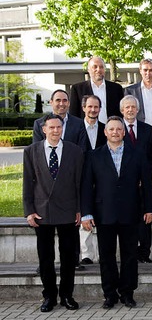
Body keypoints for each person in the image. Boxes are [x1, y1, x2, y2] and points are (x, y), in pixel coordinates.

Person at [81, 116, 152, 309]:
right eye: (111, 129)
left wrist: (149, 208)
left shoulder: (138, 154)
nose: (115, 132)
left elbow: (147, 184)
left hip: (131, 213)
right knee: (106, 256)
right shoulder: (93, 156)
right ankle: (110, 294)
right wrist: (86, 213)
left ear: (124, 132)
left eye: (118, 129)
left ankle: (128, 293)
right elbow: (87, 187)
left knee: (130, 255)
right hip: (103, 213)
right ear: (105, 132)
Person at [23, 114, 84, 312]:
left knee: (68, 258)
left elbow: (79, 183)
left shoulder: (75, 151)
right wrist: (29, 211)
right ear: (44, 129)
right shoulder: (31, 151)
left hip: (68, 211)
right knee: (45, 258)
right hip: (42, 212)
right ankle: (49, 296)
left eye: (59, 127)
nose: (56, 131)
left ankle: (67, 295)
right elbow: (28, 183)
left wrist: (79, 209)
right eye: (52, 127)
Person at [120, 95, 152, 264]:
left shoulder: (148, 130)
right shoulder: (115, 129)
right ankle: (131, 253)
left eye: (133, 107)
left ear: (138, 109)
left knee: (145, 220)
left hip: (144, 184)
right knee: (127, 220)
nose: (130, 110)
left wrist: (143, 176)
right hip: (123, 186)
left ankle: (144, 253)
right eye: (127, 107)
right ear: (122, 110)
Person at [79, 95, 106, 266]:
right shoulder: (75, 129)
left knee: (101, 213)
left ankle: (102, 253)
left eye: (96, 107)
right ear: (84, 108)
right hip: (81, 176)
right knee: (84, 211)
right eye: (90, 107)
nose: (93, 110)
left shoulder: (105, 129)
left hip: (102, 177)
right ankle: (86, 253)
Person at [69, 56, 124, 122]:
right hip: (86, 130)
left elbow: (121, 112)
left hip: (111, 130)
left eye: (101, 67)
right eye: (95, 67)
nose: (98, 70)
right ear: (88, 70)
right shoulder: (77, 89)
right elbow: (73, 115)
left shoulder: (116, 88)